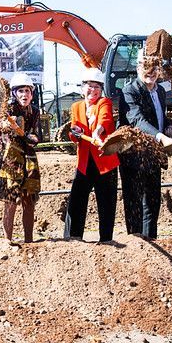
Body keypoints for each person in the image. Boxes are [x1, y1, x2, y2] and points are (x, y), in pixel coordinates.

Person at [118, 54, 172, 239]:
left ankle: (151, 240)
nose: (150, 73)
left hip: (153, 153)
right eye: (145, 69)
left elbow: (158, 116)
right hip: (134, 153)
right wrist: (160, 136)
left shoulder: (159, 91)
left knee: (152, 200)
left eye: (154, 70)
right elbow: (137, 119)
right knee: (134, 200)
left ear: (159, 71)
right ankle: (136, 242)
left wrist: (168, 126)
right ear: (137, 69)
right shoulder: (130, 91)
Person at [0, 72, 42, 243]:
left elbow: (37, 135)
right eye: (21, 91)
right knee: (11, 200)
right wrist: (5, 125)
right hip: (12, 159)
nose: (24, 94)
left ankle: (29, 241)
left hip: (30, 160)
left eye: (27, 91)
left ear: (32, 94)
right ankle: (7, 241)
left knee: (29, 201)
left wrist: (34, 138)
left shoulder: (35, 111)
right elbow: (0, 124)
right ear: (14, 94)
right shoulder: (8, 109)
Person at [64, 68, 120, 242]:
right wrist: (76, 132)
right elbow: (74, 135)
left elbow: (105, 119)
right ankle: (73, 238)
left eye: (97, 87)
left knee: (106, 202)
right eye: (89, 86)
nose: (93, 90)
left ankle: (106, 240)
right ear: (82, 88)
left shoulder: (104, 102)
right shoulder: (76, 107)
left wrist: (97, 131)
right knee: (77, 200)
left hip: (105, 161)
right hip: (85, 162)